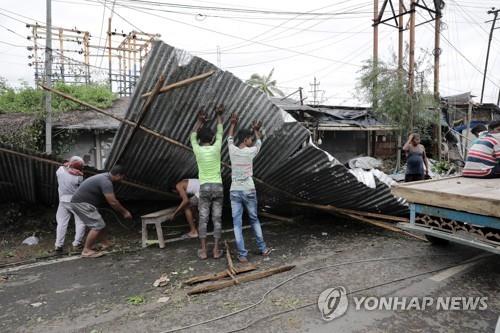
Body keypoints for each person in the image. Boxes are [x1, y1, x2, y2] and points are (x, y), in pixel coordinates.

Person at [228, 113, 271, 263]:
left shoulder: (232, 150)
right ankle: (263, 249)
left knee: (237, 224)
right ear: (245, 139)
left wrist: (233, 123)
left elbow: (229, 138)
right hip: (249, 190)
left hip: (235, 191)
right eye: (250, 139)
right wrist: (256, 130)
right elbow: (259, 142)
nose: (252, 141)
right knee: (254, 220)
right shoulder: (250, 151)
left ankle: (242, 255)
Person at [68, 165, 132, 258]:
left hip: (81, 203)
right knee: (97, 225)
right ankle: (86, 250)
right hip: (82, 204)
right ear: (118, 175)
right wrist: (125, 212)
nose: (122, 179)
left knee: (99, 222)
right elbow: (113, 202)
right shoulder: (106, 182)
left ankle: (105, 243)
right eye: (122, 177)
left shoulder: (105, 177)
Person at [190, 105, 225, 260]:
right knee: (216, 219)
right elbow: (220, 130)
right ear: (211, 139)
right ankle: (216, 251)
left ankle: (203, 251)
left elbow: (192, 134)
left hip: (204, 187)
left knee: (203, 219)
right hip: (218, 187)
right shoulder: (216, 147)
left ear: (200, 139)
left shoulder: (197, 149)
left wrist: (199, 121)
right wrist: (219, 115)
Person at [54, 156, 86, 253]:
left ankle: (58, 245)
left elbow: (64, 166)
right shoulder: (79, 177)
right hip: (75, 200)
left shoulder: (60, 171)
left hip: (63, 200)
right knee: (81, 222)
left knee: (61, 223)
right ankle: (77, 243)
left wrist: (68, 165)